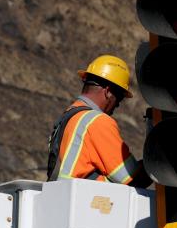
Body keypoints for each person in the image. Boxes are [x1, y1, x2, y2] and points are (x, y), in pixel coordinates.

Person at [47, 55, 151, 188]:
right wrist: (158, 163)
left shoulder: (68, 117)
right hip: (85, 205)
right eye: (119, 97)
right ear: (108, 92)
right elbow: (133, 179)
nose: (118, 104)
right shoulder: (97, 122)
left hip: (61, 200)